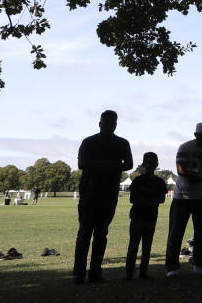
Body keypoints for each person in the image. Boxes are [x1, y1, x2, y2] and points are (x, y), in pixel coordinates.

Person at [73, 109, 133, 284]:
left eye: (112, 123)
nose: (109, 126)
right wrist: (113, 165)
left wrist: (99, 165)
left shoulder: (119, 143)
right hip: (91, 194)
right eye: (107, 123)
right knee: (86, 234)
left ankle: (92, 273)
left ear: (115, 125)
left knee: (98, 235)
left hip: (105, 195)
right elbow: (81, 164)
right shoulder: (91, 142)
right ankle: (80, 273)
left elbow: (129, 164)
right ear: (100, 124)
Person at [166, 122, 202, 277]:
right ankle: (173, 267)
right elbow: (181, 170)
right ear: (195, 135)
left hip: (201, 196)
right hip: (183, 195)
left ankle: (198, 264)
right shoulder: (185, 147)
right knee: (176, 232)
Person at [125, 152, 167, 280]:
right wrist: (151, 202)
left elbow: (134, 199)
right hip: (143, 216)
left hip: (144, 216)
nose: (151, 165)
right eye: (150, 162)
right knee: (139, 246)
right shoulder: (156, 181)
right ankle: (136, 273)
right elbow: (160, 199)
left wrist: (145, 201)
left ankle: (134, 273)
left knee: (139, 247)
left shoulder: (140, 180)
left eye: (152, 163)